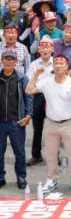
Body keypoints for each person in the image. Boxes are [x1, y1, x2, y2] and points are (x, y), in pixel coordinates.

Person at [25, 54, 71, 194]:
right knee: (51, 155)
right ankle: (52, 179)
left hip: (70, 122)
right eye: (56, 63)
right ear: (53, 66)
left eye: (61, 64)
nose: (58, 66)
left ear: (67, 66)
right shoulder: (46, 81)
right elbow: (28, 90)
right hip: (51, 123)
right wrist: (36, 74)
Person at [0, 48, 33, 189]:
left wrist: (28, 115)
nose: (8, 62)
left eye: (11, 59)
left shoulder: (22, 78)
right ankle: (0, 177)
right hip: (0, 122)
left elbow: (29, 97)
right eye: (5, 59)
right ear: (1, 61)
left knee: (19, 152)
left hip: (17, 122)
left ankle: (21, 177)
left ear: (16, 62)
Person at [25, 37, 55, 167]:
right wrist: (36, 75)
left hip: (54, 97)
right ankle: (36, 154)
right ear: (39, 49)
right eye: (42, 47)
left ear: (52, 49)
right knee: (37, 127)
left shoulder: (56, 63)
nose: (45, 49)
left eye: (48, 47)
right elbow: (28, 83)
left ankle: (55, 155)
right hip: (38, 96)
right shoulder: (34, 64)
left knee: (54, 127)